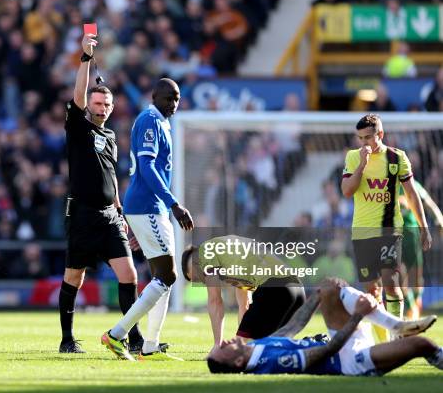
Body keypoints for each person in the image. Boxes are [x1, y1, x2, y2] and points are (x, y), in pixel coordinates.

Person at [59, 33, 143, 354]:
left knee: (129, 273)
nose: (103, 107)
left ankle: (133, 338)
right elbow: (78, 94)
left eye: (107, 103)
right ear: (89, 105)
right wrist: (84, 58)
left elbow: (111, 177)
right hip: (82, 214)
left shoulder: (110, 136)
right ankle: (67, 340)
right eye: (98, 103)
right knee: (74, 278)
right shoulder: (79, 127)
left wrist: (120, 213)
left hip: (109, 215)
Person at [101, 77, 194, 361]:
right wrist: (173, 203)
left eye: (177, 98)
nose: (173, 103)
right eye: (168, 98)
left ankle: (150, 346)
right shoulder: (149, 120)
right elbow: (147, 166)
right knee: (168, 275)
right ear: (154, 96)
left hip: (153, 209)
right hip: (148, 206)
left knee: (163, 277)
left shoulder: (163, 122)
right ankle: (117, 335)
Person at [207, 278, 441, 375]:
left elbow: (292, 327)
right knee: (422, 344)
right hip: (349, 361)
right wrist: (357, 317)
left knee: (329, 286)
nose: (224, 342)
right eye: (223, 348)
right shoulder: (269, 363)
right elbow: (325, 352)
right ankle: (399, 328)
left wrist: (315, 299)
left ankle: (397, 326)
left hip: (340, 341)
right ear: (237, 362)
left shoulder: (256, 347)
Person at [341, 114, 431, 341]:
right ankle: (382, 341)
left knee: (390, 283)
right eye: (360, 138)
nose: (364, 143)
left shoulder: (397, 157)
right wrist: (362, 164)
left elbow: (412, 194)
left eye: (368, 137)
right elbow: (347, 191)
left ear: (380, 135)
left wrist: (423, 226)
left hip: (390, 230)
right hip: (362, 231)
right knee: (372, 291)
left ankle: (396, 338)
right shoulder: (353, 157)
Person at [181, 236, 305, 346]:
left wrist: (217, 345)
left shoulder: (204, 253)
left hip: (276, 291)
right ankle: (318, 342)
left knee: (237, 349)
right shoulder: (232, 258)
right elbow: (244, 305)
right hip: (297, 292)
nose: (202, 282)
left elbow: (215, 301)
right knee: (268, 346)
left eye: (196, 278)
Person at [398, 180, 443, 319]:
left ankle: (416, 301)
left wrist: (439, 218)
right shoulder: (384, 184)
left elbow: (427, 202)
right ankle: (411, 306)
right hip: (392, 234)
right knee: (398, 272)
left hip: (411, 235)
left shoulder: (411, 184)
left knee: (416, 278)